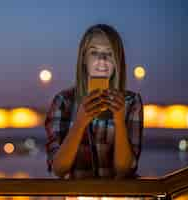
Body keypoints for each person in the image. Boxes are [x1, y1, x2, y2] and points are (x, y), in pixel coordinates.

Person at [44, 24, 144, 181]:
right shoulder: (63, 101)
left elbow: (125, 169)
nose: (102, 60)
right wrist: (79, 123)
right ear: (83, 58)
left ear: (117, 60)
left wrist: (119, 120)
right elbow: (58, 169)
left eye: (109, 53)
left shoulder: (131, 102)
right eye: (94, 52)